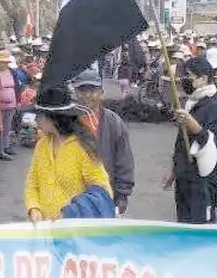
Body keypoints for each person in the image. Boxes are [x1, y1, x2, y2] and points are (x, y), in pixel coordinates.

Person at [24, 86, 113, 221]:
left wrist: (72, 212)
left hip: (74, 230)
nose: (35, 120)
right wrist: (33, 208)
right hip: (45, 228)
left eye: (39, 115)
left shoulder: (82, 148)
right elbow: (32, 181)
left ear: (53, 118)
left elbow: (102, 190)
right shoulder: (42, 145)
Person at [161, 57, 217, 224]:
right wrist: (173, 169)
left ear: (203, 78)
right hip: (184, 175)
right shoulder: (191, 103)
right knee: (184, 223)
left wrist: (193, 125)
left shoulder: (216, 105)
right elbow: (181, 142)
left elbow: (215, 142)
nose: (186, 80)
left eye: (189, 76)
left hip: (202, 179)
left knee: (201, 227)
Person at [71, 69, 135, 215]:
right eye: (82, 90)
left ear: (101, 92)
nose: (88, 95)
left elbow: (124, 159)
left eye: (93, 90)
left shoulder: (113, 122)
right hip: (71, 194)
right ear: (75, 92)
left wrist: (122, 194)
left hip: (104, 193)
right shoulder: (66, 122)